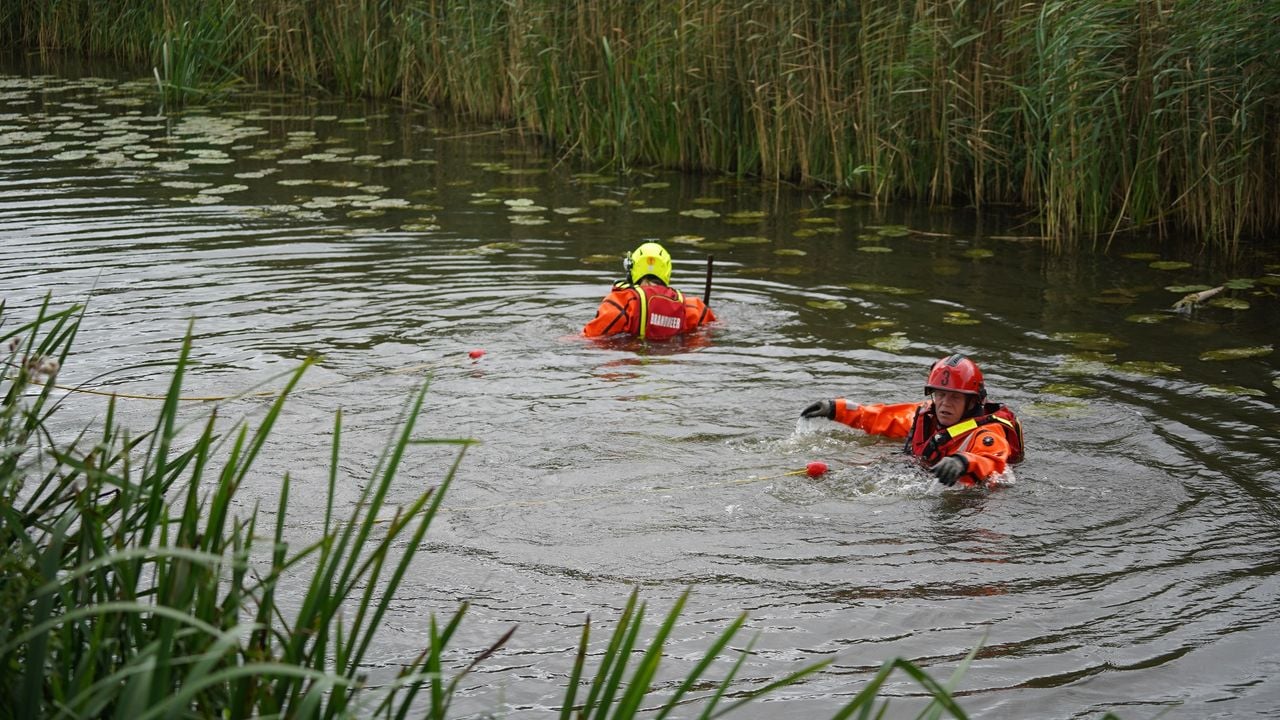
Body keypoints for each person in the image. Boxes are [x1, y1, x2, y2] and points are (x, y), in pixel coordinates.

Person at [800, 354, 1024, 487]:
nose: (945, 403)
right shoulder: (927, 413)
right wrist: (836, 409)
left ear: (972, 402)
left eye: (955, 397)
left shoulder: (987, 433)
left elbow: (992, 461)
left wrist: (962, 462)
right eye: (940, 395)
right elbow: (884, 418)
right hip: (918, 473)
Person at [583, 242, 716, 340]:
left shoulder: (621, 302)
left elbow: (591, 337)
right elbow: (710, 332)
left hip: (631, 366)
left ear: (632, 269)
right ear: (667, 270)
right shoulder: (694, 307)